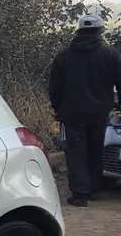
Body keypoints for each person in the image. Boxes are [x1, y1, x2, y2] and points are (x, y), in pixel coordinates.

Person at [49, 15, 121, 207]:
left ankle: (80, 194)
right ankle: (94, 189)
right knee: (95, 149)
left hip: (72, 113)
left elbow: (54, 86)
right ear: (100, 31)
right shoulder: (110, 54)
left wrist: (57, 108)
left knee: (76, 152)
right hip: (100, 113)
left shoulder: (64, 56)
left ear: (79, 31)